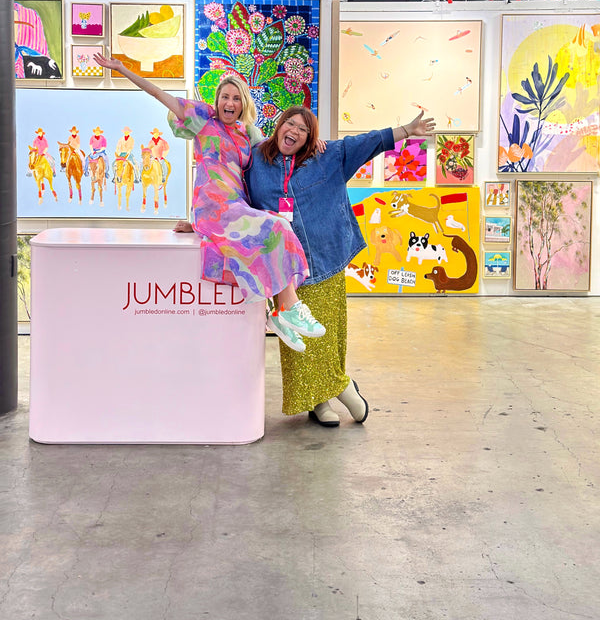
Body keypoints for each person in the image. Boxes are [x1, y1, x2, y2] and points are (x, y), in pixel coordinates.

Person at [93, 52, 326, 346]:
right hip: (213, 207)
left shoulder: (247, 133)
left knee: (279, 227)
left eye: (236, 98)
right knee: (278, 228)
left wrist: (311, 140)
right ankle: (289, 308)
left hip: (236, 205)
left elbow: (279, 149)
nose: (230, 102)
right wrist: (123, 69)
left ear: (243, 104)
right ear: (217, 102)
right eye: (225, 97)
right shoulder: (203, 121)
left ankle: (280, 311)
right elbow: (160, 95)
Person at [244, 106, 435, 427]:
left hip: (326, 258)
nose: (294, 131)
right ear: (279, 126)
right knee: (298, 342)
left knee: (326, 336)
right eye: (290, 123)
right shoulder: (256, 162)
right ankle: (331, 396)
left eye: (303, 129)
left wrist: (406, 130)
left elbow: (368, 142)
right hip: (284, 269)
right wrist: (199, 222)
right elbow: (233, 198)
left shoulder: (328, 156)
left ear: (310, 138)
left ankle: (331, 393)